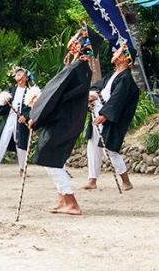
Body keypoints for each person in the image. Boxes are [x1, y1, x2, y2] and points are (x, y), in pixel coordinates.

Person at [27, 26, 101, 216]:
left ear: (81, 44)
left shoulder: (75, 68)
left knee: (48, 157)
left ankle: (71, 201)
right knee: (55, 159)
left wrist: (36, 117)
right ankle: (62, 199)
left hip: (62, 121)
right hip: (70, 121)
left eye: (76, 37)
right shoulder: (84, 69)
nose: (72, 40)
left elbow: (53, 95)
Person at [80, 42, 140, 191]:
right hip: (98, 111)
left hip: (110, 117)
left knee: (110, 150)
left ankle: (126, 181)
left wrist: (105, 116)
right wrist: (92, 96)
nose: (114, 53)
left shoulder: (126, 79)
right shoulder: (112, 75)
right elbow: (97, 88)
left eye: (117, 52)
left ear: (124, 58)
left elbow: (117, 100)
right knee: (93, 145)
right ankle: (92, 179)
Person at [0, 67, 34, 179]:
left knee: (21, 145)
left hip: (21, 122)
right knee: (1, 141)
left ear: (26, 78)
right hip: (9, 120)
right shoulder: (10, 90)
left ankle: (22, 169)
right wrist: (3, 102)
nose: (18, 77)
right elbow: (0, 103)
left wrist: (25, 116)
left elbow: (33, 107)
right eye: (16, 75)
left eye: (20, 74)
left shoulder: (30, 92)